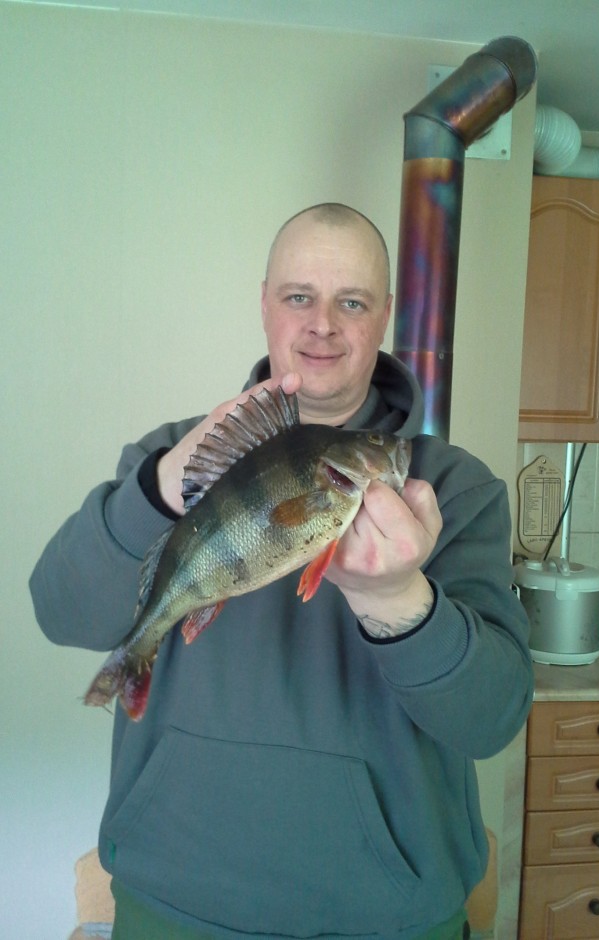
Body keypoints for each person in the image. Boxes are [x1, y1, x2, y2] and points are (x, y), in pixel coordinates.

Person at [30, 203, 533, 940]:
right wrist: (157, 492)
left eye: (351, 302)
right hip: (172, 907)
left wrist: (400, 600)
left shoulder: (454, 490)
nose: (321, 324)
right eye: (299, 296)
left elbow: (492, 720)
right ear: (265, 303)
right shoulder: (173, 461)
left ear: (384, 316)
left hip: (386, 921)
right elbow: (59, 611)